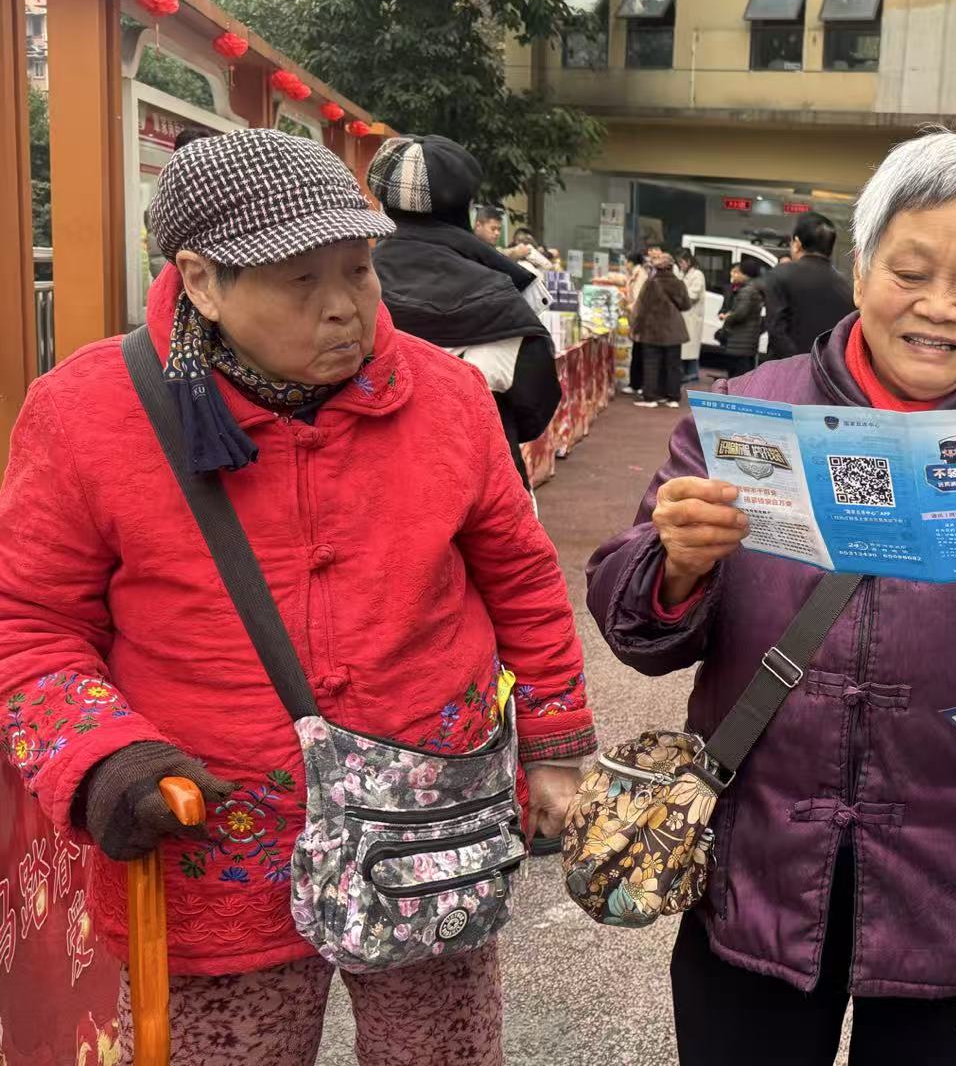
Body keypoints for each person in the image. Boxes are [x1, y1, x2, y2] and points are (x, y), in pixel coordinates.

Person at [0, 130, 597, 1065]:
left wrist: (558, 743)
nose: (343, 309)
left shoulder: (446, 398)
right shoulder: (86, 413)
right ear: (201, 280)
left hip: (426, 820)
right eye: (299, 280)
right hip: (210, 835)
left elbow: (521, 578)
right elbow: (29, 621)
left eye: (359, 270)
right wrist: (101, 753)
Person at [587, 129, 956, 1066]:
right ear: (860, 270)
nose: (940, 307)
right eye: (912, 270)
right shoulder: (753, 412)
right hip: (756, 875)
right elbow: (635, 624)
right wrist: (674, 562)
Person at [368, 134, 561, 488]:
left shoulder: (349, 285)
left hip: (371, 481)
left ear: (384, 206)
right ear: (464, 210)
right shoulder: (502, 292)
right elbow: (536, 405)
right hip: (482, 485)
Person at [763, 211, 854, 360]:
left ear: (797, 244)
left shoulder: (780, 275)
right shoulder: (845, 284)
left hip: (787, 372)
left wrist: (802, 366)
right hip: (828, 372)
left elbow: (776, 330)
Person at [630, 245, 693, 408]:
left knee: (651, 363)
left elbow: (641, 308)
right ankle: (672, 397)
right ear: (672, 267)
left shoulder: (650, 284)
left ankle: (651, 397)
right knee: (673, 364)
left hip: (652, 330)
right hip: (674, 330)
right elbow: (686, 305)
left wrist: (635, 328)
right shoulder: (679, 284)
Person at [714, 255, 765, 377]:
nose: (735, 274)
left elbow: (740, 313)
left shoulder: (747, 290)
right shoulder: (754, 288)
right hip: (746, 342)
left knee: (737, 378)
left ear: (745, 274)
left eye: (738, 272)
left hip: (740, 341)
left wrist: (728, 318)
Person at [678, 248, 708, 383]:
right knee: (685, 348)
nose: (680, 265)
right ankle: (687, 373)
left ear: (689, 261)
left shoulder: (697, 275)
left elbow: (693, 294)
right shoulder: (683, 274)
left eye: (682, 262)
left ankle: (692, 374)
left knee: (690, 348)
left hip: (692, 316)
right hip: (684, 316)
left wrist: (678, 294)